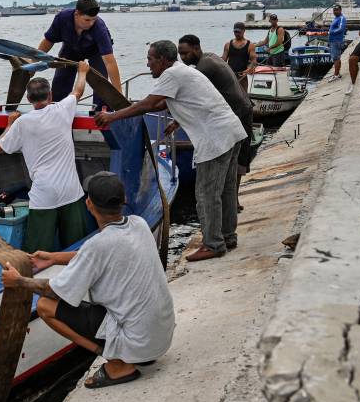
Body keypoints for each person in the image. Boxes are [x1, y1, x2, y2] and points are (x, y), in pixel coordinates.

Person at [0, 171, 175, 389]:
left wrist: (18, 281)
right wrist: (53, 258)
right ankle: (125, 353)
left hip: (138, 342)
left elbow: (55, 290)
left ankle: (116, 361)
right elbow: (97, 256)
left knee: (45, 306)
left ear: (89, 204)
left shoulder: (98, 245)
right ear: (124, 201)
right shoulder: (138, 224)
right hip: (160, 338)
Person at [95, 41, 246, 261]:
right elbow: (172, 103)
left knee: (206, 194)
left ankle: (213, 244)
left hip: (215, 139)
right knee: (226, 190)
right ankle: (228, 236)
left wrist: (112, 116)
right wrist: (177, 121)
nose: (147, 64)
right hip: (231, 131)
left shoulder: (171, 75)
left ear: (163, 60)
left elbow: (148, 104)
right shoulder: (183, 72)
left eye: (150, 59)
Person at [0, 62, 90, 253]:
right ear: (51, 96)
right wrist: (82, 71)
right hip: (71, 190)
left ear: (29, 99)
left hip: (43, 193)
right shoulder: (63, 109)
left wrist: (9, 124)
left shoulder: (22, 122)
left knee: (38, 252)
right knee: (76, 249)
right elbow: (78, 91)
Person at [178, 34, 254, 211]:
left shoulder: (203, 68)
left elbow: (190, 97)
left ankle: (231, 201)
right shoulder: (211, 57)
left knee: (235, 157)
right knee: (238, 156)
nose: (182, 58)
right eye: (180, 54)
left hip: (238, 114)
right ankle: (232, 201)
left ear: (196, 48)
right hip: (243, 109)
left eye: (186, 53)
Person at [38, 0, 122, 106]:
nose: (91, 23)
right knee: (60, 82)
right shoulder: (62, 18)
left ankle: (100, 111)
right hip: (70, 49)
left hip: (96, 52)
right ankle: (58, 109)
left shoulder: (99, 27)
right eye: (87, 20)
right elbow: (48, 41)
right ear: (76, 14)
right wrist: (35, 61)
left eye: (94, 19)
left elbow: (110, 62)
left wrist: (119, 94)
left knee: (100, 81)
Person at [222, 21, 258, 93]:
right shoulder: (228, 44)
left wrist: (248, 70)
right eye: (235, 32)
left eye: (239, 32)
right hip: (231, 75)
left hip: (242, 76)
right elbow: (223, 61)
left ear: (244, 31)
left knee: (244, 96)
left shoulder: (250, 45)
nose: (237, 34)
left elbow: (254, 62)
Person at [327, 4, 347, 81]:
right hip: (332, 41)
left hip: (337, 41)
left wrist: (330, 32)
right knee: (336, 58)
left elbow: (341, 29)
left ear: (340, 10)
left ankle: (336, 75)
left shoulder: (341, 18)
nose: (335, 11)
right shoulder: (336, 18)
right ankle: (337, 73)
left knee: (336, 58)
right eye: (334, 10)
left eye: (336, 10)